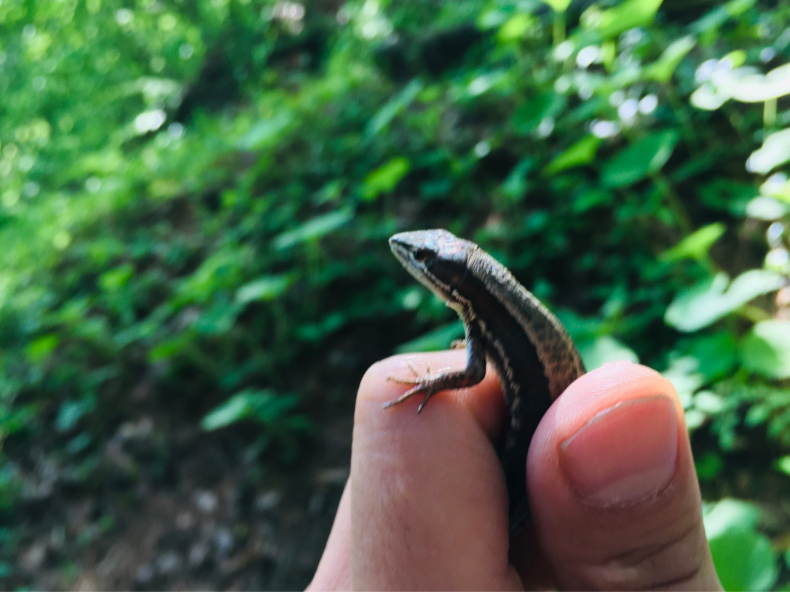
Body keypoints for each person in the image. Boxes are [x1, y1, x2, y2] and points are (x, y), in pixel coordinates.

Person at [308, 354, 723, 590]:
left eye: (422, 258)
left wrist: (432, 383)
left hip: (547, 429)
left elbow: (473, 371)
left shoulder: (480, 315)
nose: (411, 258)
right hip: (545, 423)